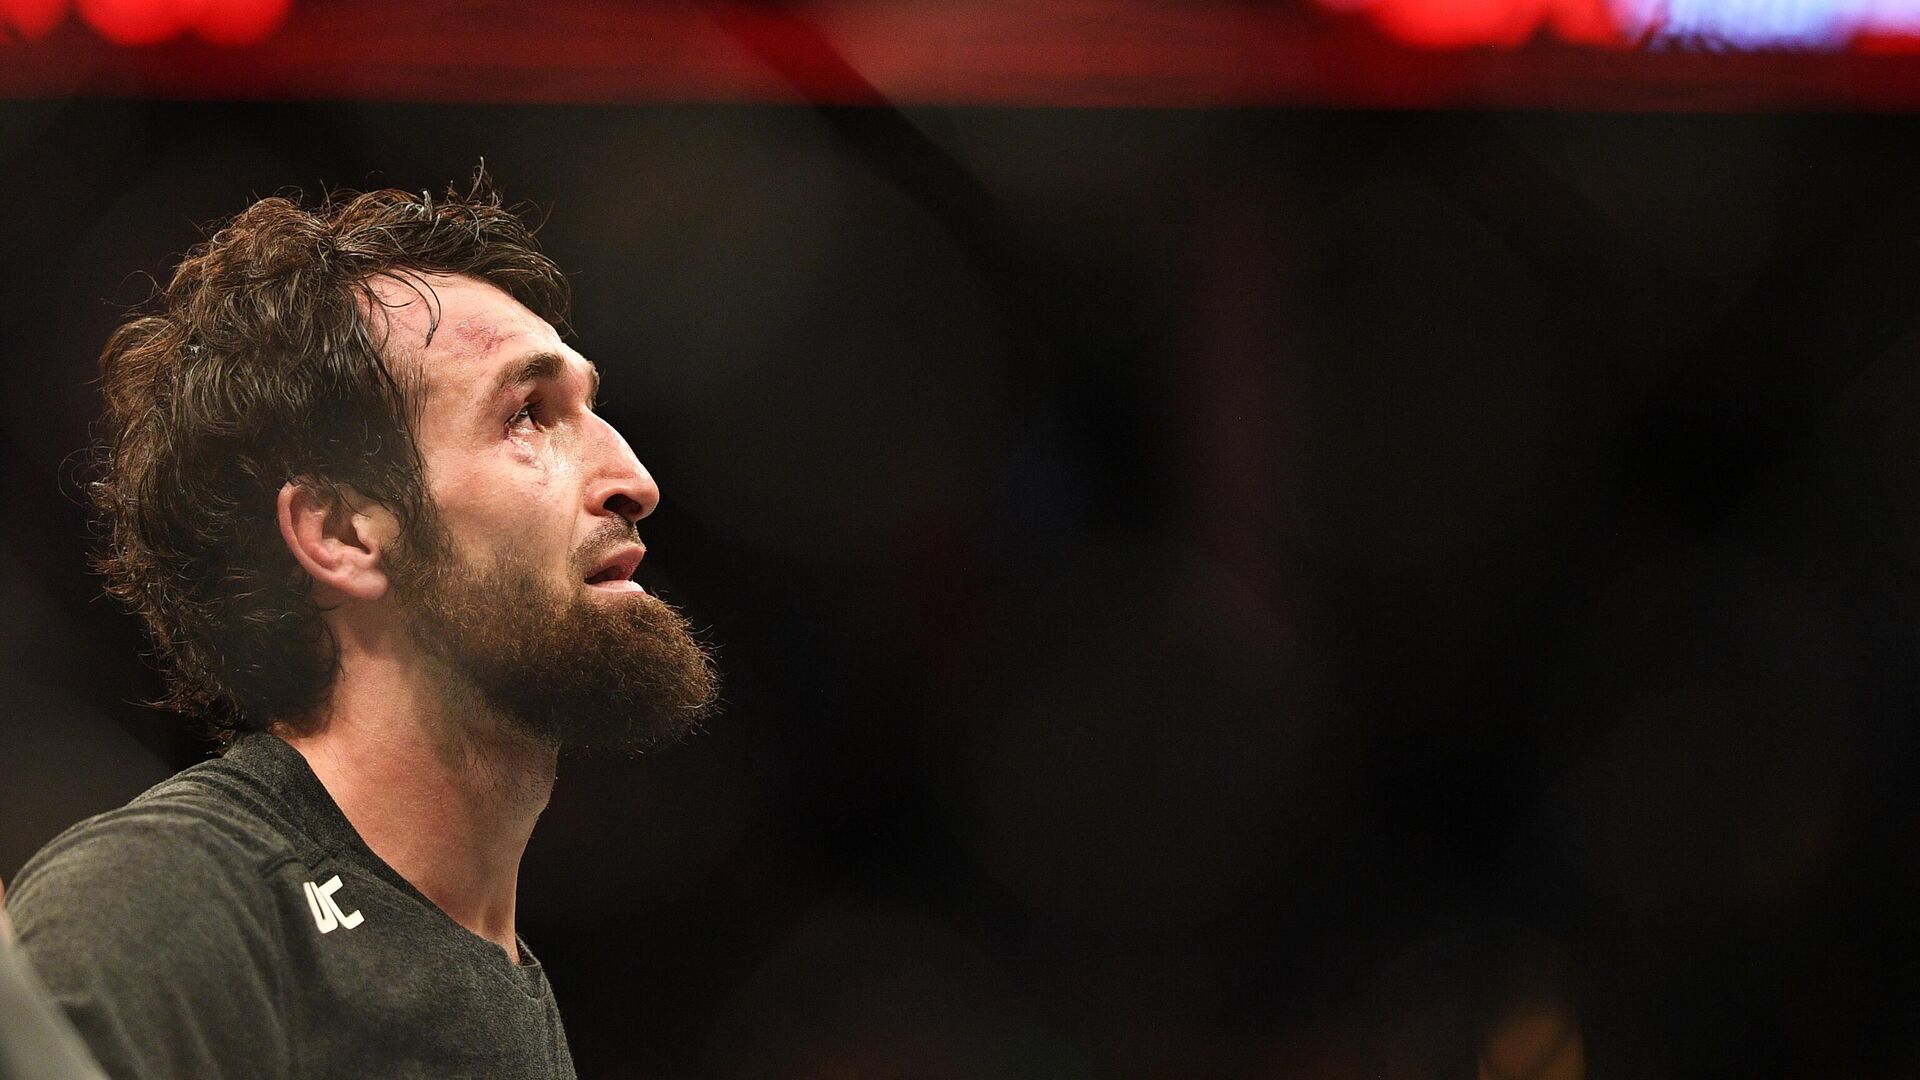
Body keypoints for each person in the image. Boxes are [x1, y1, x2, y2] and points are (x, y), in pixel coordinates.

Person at [4, 175, 718, 1079]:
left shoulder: (488, 963)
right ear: (342, 534)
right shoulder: (169, 903)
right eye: (527, 416)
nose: (634, 480)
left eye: (589, 406)